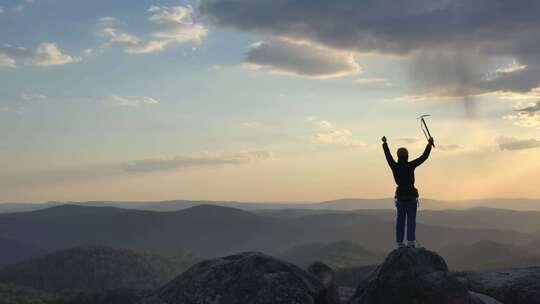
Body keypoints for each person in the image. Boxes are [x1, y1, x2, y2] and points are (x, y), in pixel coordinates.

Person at [381, 136, 434, 248]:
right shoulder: (410, 165)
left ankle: (399, 243)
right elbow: (423, 158)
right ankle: (410, 242)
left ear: (398, 156)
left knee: (400, 220)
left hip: (400, 196)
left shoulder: (394, 166)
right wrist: (429, 145)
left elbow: (388, 156)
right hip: (411, 196)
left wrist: (385, 143)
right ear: (407, 156)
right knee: (411, 220)